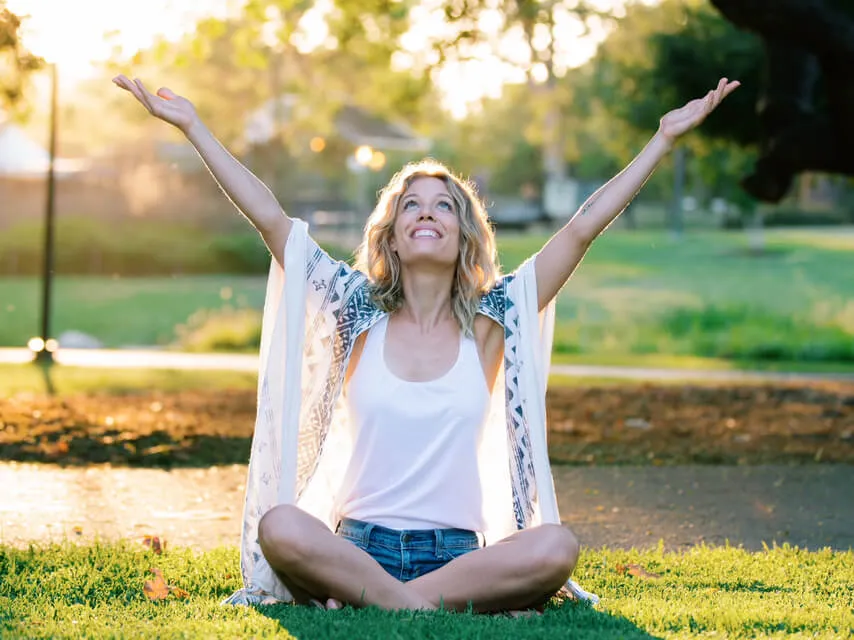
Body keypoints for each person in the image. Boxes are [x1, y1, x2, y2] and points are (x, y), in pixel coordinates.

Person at [113, 74, 739, 613]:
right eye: (410, 204)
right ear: (391, 234)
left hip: (459, 556)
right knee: (279, 526)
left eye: (444, 205)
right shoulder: (355, 309)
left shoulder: (493, 321)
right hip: (359, 547)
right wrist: (194, 127)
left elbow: (581, 228)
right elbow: (273, 220)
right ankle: (410, 602)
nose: (426, 212)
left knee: (557, 547)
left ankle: (389, 601)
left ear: (464, 234)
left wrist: (662, 140)